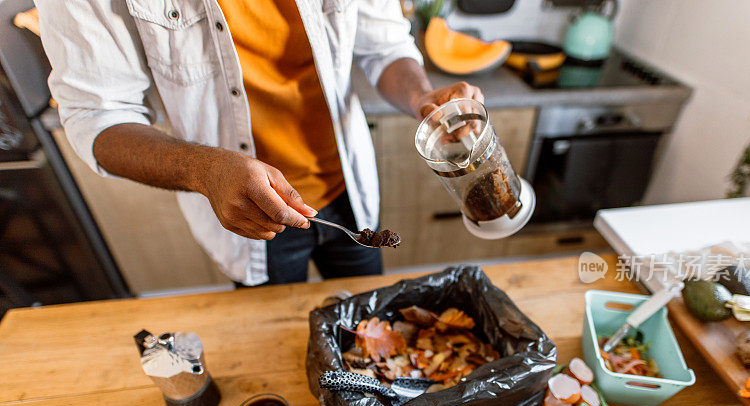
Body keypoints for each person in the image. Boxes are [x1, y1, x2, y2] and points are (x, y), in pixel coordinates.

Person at [36, 0, 484, 285]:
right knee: (276, 351)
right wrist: (204, 171)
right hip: (250, 219)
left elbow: (383, 45)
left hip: (351, 193)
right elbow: (98, 115)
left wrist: (420, 95)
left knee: (370, 334)